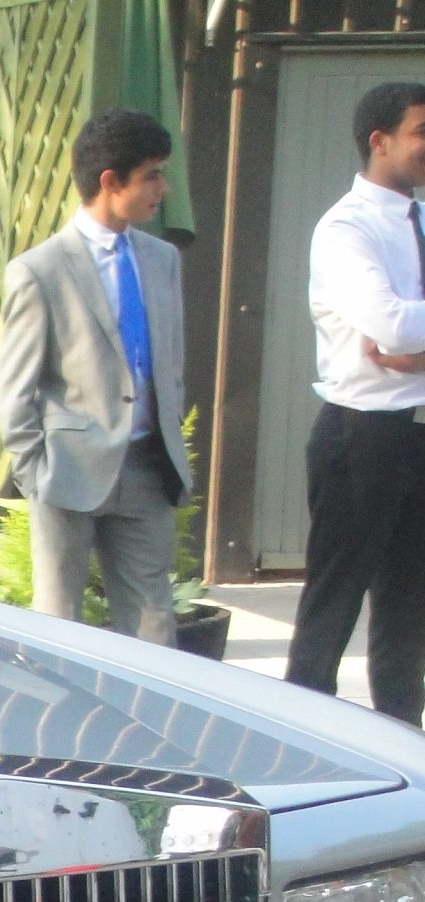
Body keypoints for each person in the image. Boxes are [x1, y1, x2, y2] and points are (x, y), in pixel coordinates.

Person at [0, 109, 191, 645]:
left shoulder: (161, 259)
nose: (162, 188)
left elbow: (170, 364)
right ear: (110, 181)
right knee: (59, 628)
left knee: (155, 629)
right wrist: (37, 471)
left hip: (149, 469)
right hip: (67, 474)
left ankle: (149, 727)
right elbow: (16, 387)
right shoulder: (40, 270)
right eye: (151, 174)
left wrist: (169, 429)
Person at [284, 79, 425, 724]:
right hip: (362, 436)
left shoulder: (419, 219)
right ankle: (306, 747)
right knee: (333, 605)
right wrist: (407, 338)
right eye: (421, 133)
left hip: (417, 434)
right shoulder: (345, 228)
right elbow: (391, 327)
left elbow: (404, 332)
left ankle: (405, 751)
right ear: (381, 140)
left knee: (408, 611)